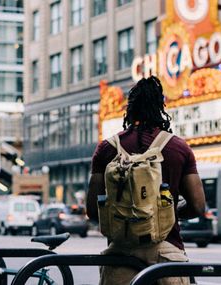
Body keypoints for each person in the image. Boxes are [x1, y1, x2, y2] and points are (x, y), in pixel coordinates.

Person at [87, 76, 206, 285]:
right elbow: (197, 206)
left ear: (129, 109)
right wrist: (166, 212)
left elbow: (92, 210)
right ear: (161, 108)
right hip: (167, 256)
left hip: (120, 256)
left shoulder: (106, 149)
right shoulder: (179, 148)